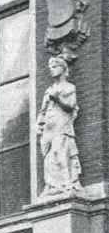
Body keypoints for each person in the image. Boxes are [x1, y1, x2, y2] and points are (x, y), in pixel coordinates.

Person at [37, 55, 82, 195]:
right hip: (48, 127)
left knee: (60, 151)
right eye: (50, 67)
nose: (51, 70)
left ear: (63, 68)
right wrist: (39, 123)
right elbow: (42, 111)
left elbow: (71, 106)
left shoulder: (69, 87)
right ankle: (52, 185)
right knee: (49, 157)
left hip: (61, 123)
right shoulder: (49, 90)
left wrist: (58, 98)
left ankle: (66, 183)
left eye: (55, 67)